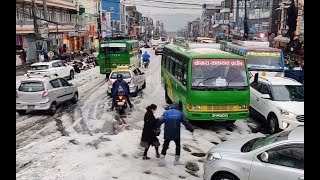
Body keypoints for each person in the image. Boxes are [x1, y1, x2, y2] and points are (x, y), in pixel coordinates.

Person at [157, 102, 194, 166]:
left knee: (165, 145)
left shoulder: (166, 113)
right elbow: (185, 122)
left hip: (167, 133)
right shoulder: (179, 113)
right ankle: (176, 161)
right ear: (177, 107)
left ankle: (162, 159)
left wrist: (156, 127)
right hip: (176, 133)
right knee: (177, 146)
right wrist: (191, 129)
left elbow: (160, 121)